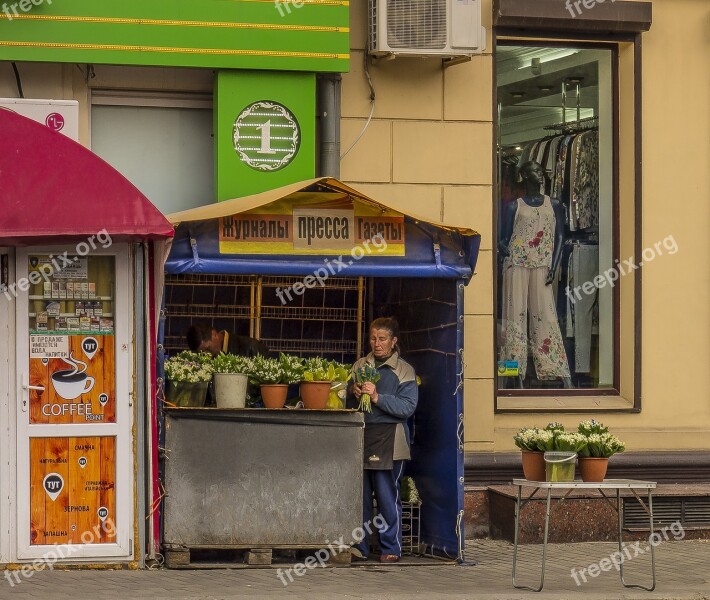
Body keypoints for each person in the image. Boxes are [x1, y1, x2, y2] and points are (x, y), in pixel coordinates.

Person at [348, 317, 418, 563]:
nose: (376, 344)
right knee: (361, 496)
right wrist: (353, 391)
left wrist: (377, 397)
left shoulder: (405, 370)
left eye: (382, 339)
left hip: (391, 440)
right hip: (362, 437)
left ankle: (391, 547)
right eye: (373, 338)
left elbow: (408, 407)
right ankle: (360, 546)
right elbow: (347, 402)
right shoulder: (359, 365)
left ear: (393, 341)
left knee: (388, 496)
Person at [498, 160, 572, 388]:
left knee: (546, 317)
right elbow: (502, 237)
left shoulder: (555, 204)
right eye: (534, 171)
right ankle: (511, 374)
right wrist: (507, 251)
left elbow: (560, 236)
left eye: (540, 171)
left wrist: (555, 264)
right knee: (514, 320)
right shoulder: (514, 206)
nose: (539, 174)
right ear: (524, 175)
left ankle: (559, 372)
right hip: (517, 265)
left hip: (543, 266)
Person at [186, 323, 269, 358]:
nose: (207, 355)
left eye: (208, 349)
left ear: (214, 334)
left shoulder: (251, 347)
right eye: (201, 354)